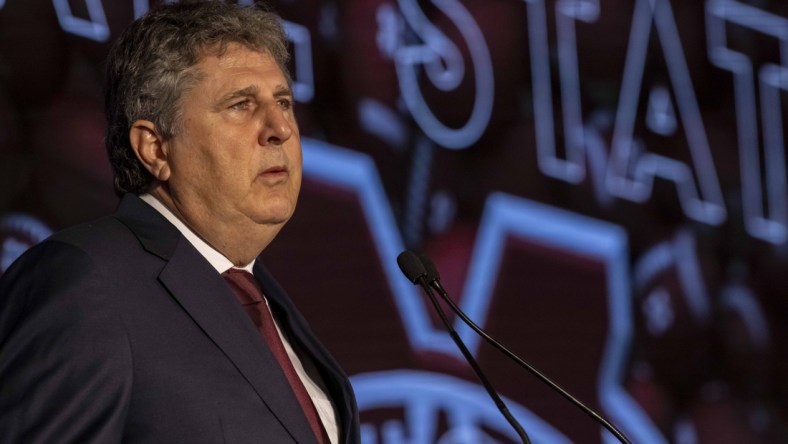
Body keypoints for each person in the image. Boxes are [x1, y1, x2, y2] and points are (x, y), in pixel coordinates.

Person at [0, 2, 359, 443]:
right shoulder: (86, 282)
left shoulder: (265, 300)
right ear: (155, 148)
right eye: (241, 105)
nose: (280, 128)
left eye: (282, 102)